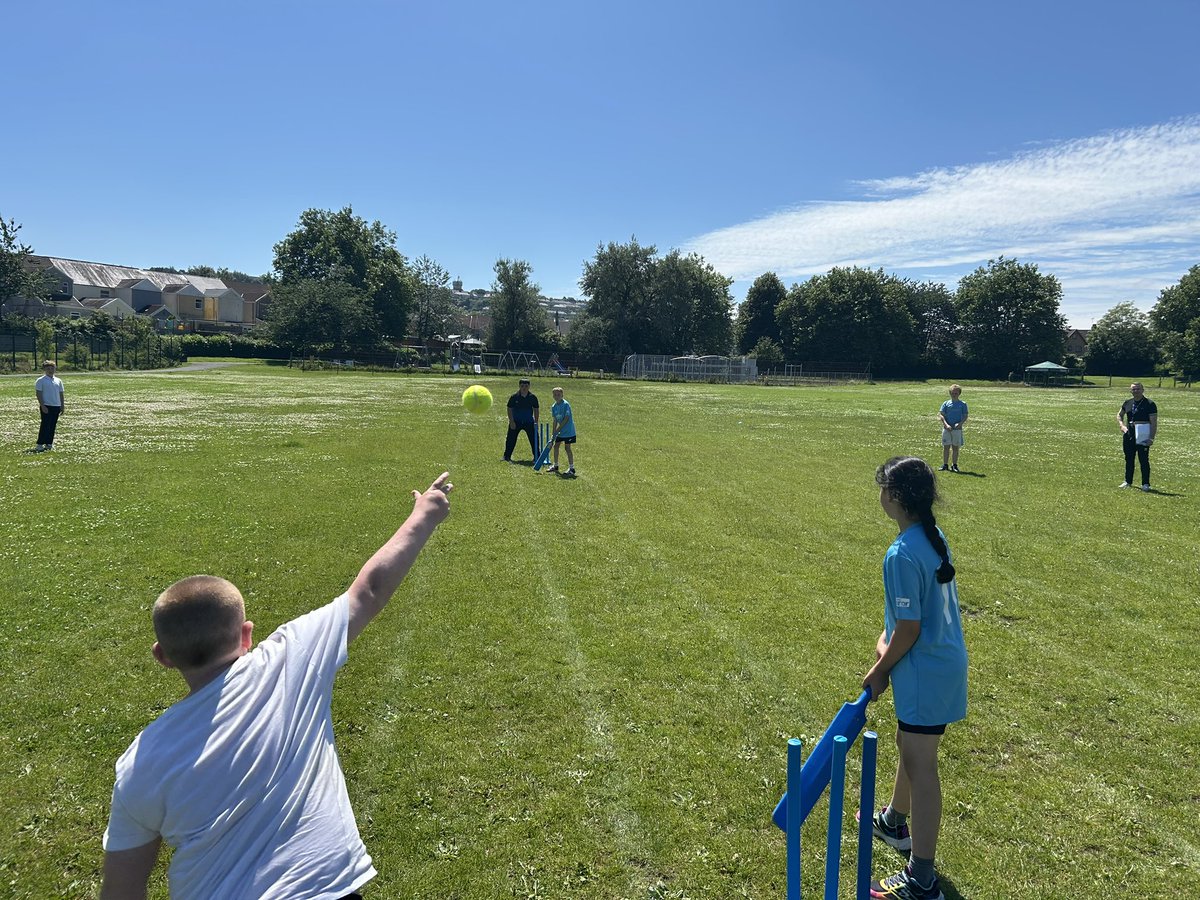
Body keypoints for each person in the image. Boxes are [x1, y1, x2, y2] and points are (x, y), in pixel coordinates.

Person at [100, 472, 454, 900]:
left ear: (163, 656)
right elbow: (370, 590)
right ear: (246, 635)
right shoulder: (288, 660)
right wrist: (425, 513)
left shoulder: (140, 763)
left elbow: (122, 889)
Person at [862, 457, 967, 900]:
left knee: (923, 766)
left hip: (923, 671)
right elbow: (907, 618)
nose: (880, 495)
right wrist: (887, 639)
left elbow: (910, 628)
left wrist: (880, 667)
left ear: (896, 497)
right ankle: (893, 821)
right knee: (909, 744)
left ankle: (922, 878)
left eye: (883, 488)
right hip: (939, 665)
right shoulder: (930, 535)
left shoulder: (902, 552)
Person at [1117, 382, 1157, 491]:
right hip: (1129, 434)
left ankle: (1145, 484)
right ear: (1131, 391)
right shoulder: (1127, 403)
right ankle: (1127, 481)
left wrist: (1151, 438)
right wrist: (1122, 425)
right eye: (1133, 389)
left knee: (1143, 460)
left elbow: (1153, 422)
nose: (1136, 391)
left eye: (1138, 389)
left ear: (1143, 390)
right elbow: (1119, 415)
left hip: (1143, 435)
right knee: (1129, 459)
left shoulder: (1150, 404)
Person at [503, 378, 539, 462]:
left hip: (529, 422)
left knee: (534, 439)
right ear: (519, 386)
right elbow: (509, 408)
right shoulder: (514, 397)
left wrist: (536, 422)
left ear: (529, 386)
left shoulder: (532, 397)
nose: (524, 388)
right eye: (522, 386)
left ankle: (537, 456)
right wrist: (511, 421)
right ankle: (507, 456)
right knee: (510, 439)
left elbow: (536, 409)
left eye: (526, 386)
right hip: (516, 422)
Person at [545, 386, 576, 476]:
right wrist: (553, 432)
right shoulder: (554, 406)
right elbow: (555, 420)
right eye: (555, 394)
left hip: (568, 431)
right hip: (560, 432)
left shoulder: (566, 404)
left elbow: (566, 418)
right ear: (553, 396)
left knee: (567, 448)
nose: (556, 396)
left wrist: (558, 429)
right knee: (556, 446)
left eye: (558, 394)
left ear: (562, 395)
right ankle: (556, 465)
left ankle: (572, 468)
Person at [34, 360, 65, 451]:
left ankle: (49, 443)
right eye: (48, 368)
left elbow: (61, 394)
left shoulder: (58, 380)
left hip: (56, 406)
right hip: (46, 405)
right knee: (45, 425)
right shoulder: (41, 380)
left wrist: (62, 406)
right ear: (45, 369)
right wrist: (42, 406)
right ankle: (40, 444)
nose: (50, 370)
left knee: (52, 425)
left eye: (52, 368)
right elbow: (38, 393)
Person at [937, 385, 967, 472]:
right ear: (950, 393)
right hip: (947, 429)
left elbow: (965, 416)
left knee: (955, 448)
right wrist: (946, 425)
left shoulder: (963, 404)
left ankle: (954, 465)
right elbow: (941, 415)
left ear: (959, 394)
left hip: (957, 430)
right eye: (953, 393)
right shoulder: (946, 403)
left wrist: (960, 424)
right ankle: (945, 465)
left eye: (956, 393)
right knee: (946, 447)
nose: (954, 394)